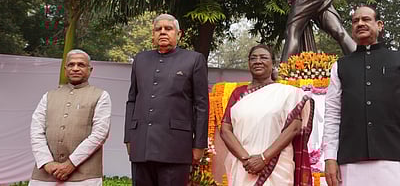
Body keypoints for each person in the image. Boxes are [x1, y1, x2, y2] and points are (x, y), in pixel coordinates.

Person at [322, 6, 400, 186]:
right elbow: (332, 115)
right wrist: (330, 158)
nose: (360, 24)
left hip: (396, 160)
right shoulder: (340, 66)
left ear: (379, 25)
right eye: (355, 21)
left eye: (366, 19)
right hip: (350, 162)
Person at [124, 14, 209, 186]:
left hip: (175, 146)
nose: (163, 32)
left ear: (179, 34)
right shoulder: (140, 59)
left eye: (168, 28)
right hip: (142, 144)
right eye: (158, 29)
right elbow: (132, 100)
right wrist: (129, 137)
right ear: (153, 35)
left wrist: (199, 144)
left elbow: (201, 105)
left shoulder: (194, 59)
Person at [220, 44, 315, 186]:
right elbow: (225, 130)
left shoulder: (287, 93)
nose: (258, 61)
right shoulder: (238, 94)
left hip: (277, 166)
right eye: (253, 58)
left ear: (273, 63)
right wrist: (247, 160)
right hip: (243, 166)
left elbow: (294, 128)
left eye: (263, 57)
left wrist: (264, 158)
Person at [29, 49, 112, 186]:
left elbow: (100, 134)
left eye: (81, 65)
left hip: (84, 176)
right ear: (65, 69)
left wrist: (71, 163)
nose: (75, 68)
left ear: (90, 69)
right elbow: (36, 130)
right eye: (71, 65)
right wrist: (47, 163)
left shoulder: (101, 96)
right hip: (45, 175)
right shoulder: (49, 96)